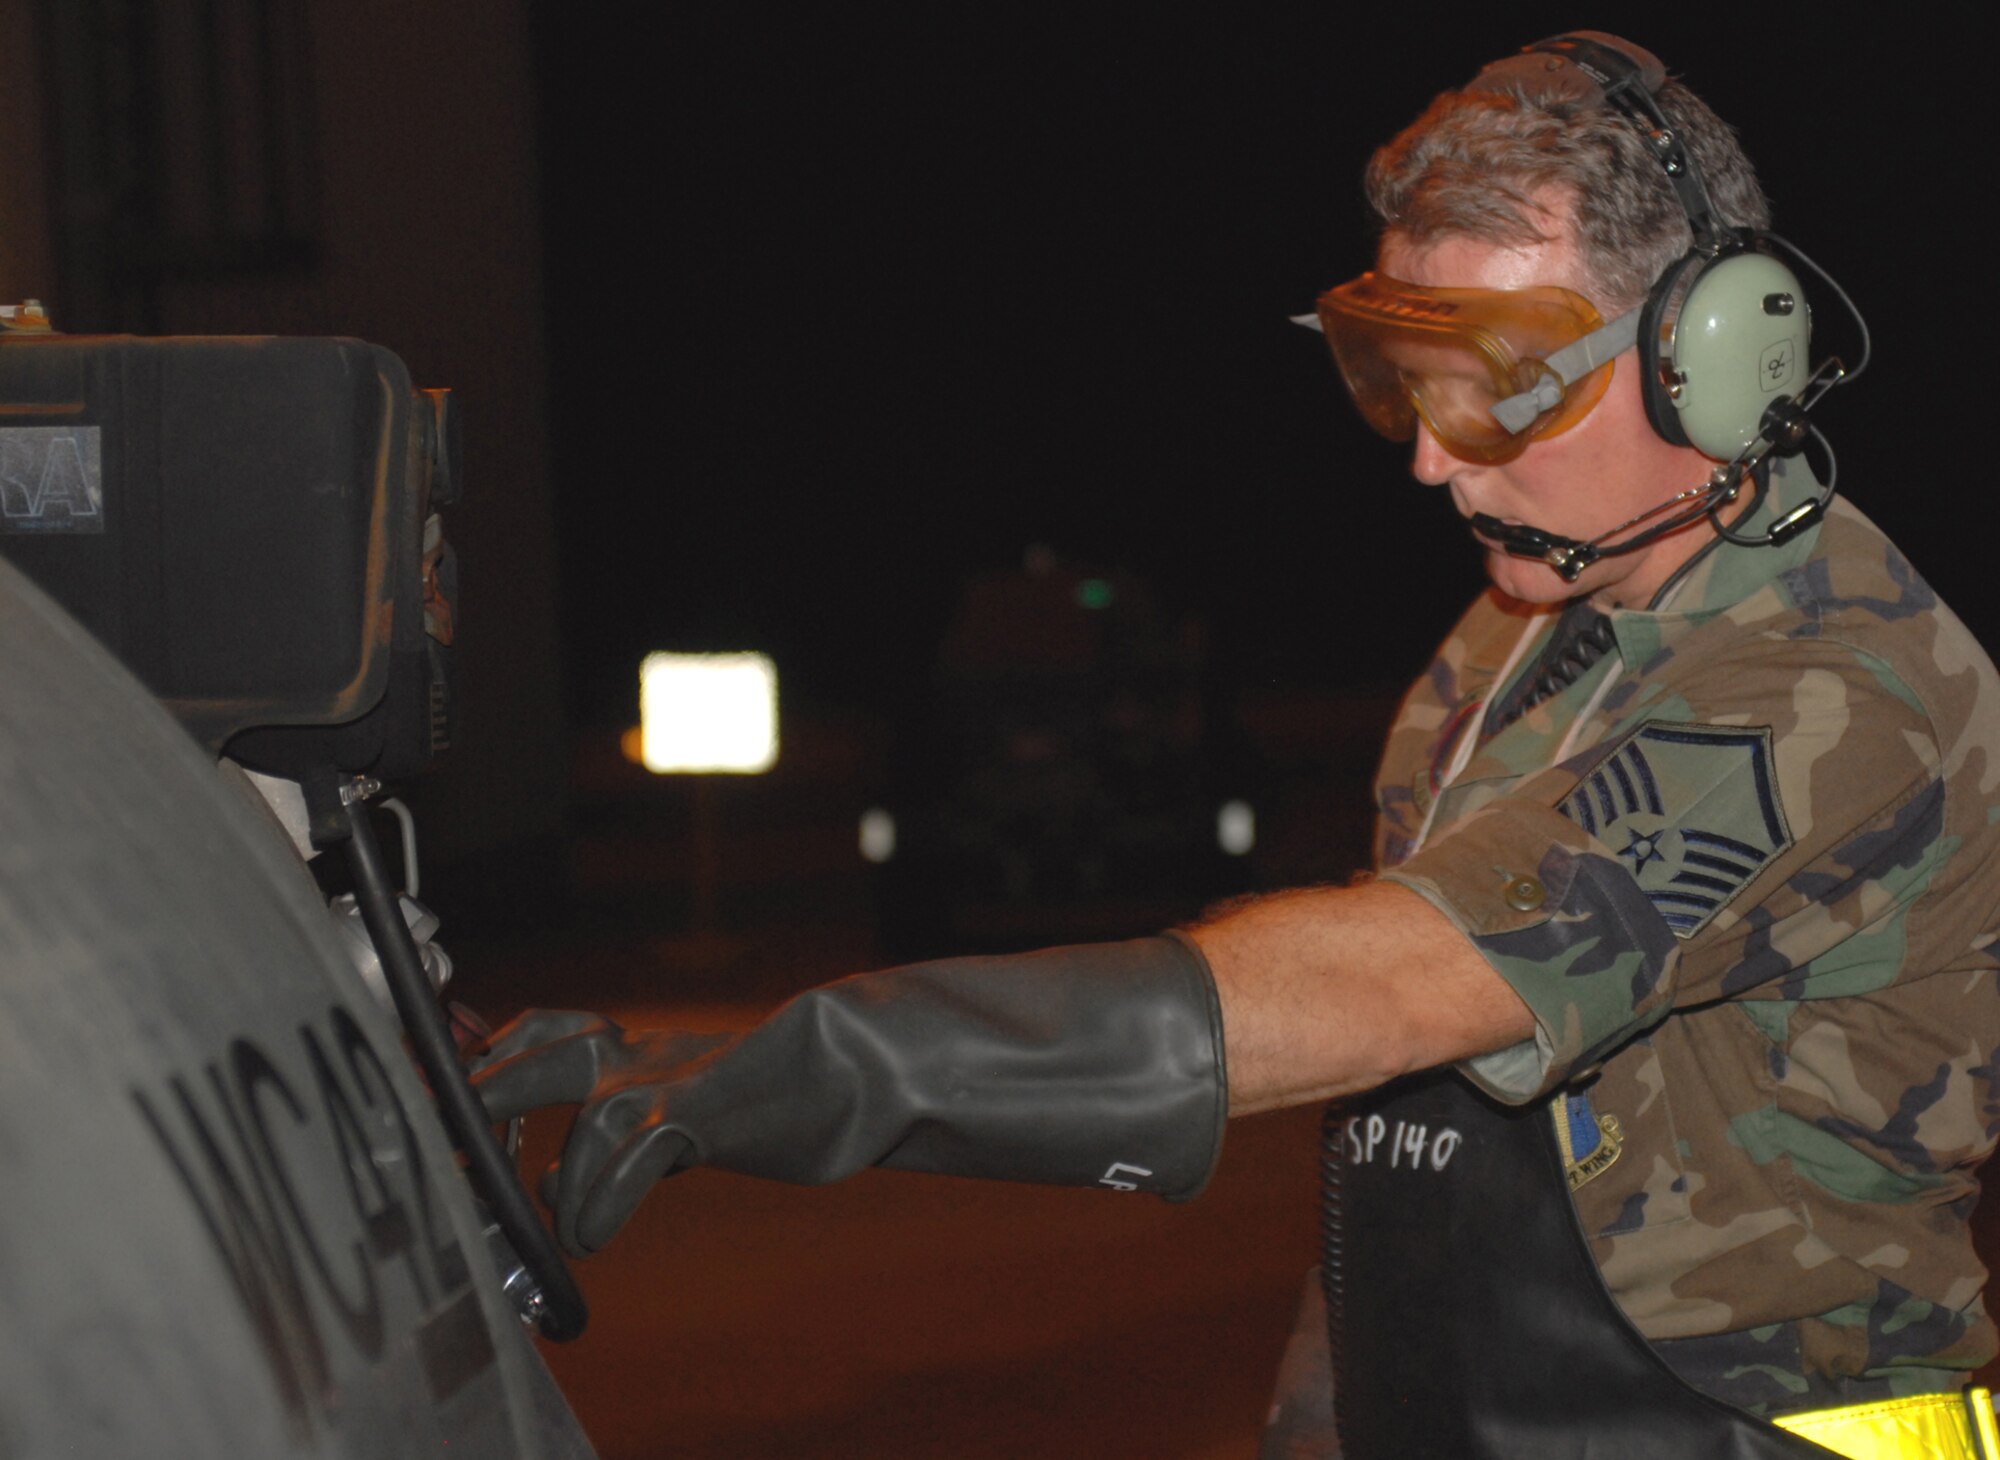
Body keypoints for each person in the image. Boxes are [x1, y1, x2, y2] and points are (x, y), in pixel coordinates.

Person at [476, 33, 2000, 1458]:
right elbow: (1410, 1095)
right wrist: (1329, 1396)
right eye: (1416, 382)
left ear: (1711, 357)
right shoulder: (1516, 629)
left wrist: (840, 1056)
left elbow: (1394, 983)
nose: (1427, 455)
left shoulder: (1835, 686)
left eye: (1504, 390)